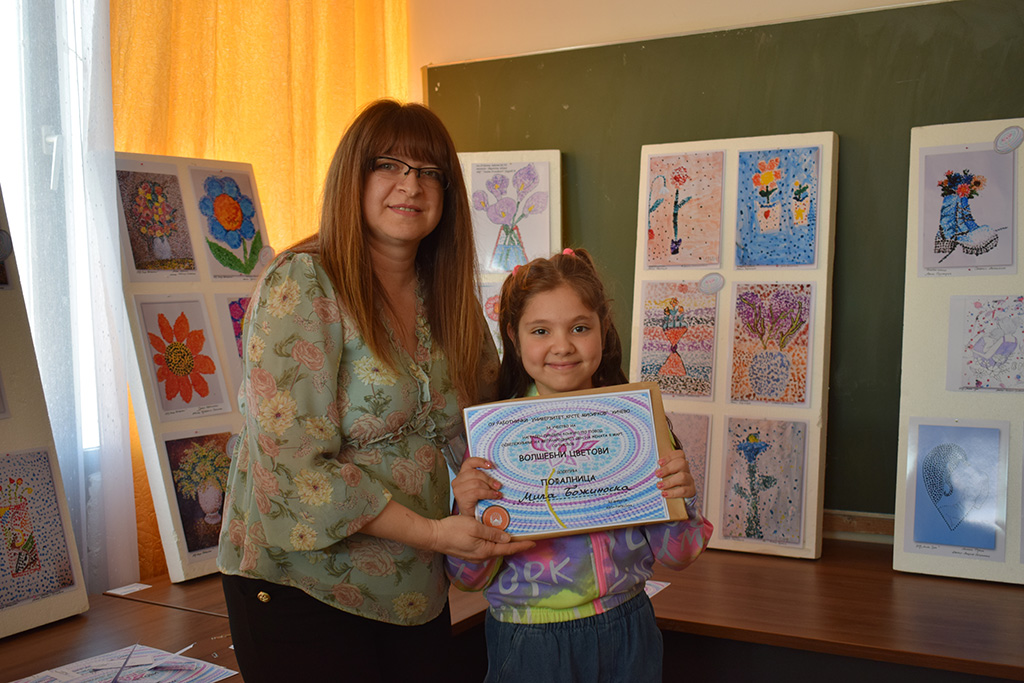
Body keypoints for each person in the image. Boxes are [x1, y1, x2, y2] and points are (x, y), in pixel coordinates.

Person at [217, 99, 533, 683]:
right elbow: (292, 466)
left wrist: (619, 459)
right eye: (388, 165)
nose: (410, 185)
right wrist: (436, 532)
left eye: (429, 172)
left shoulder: (446, 292)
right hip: (304, 588)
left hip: (417, 588)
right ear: (352, 177)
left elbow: (493, 422)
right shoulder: (302, 282)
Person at [446, 247, 714, 682]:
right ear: (513, 337)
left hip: (629, 626)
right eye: (540, 330)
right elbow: (468, 580)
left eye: (580, 327)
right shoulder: (491, 441)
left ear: (603, 329)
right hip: (529, 639)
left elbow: (679, 555)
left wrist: (681, 498)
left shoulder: (639, 425)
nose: (562, 346)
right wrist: (466, 514)